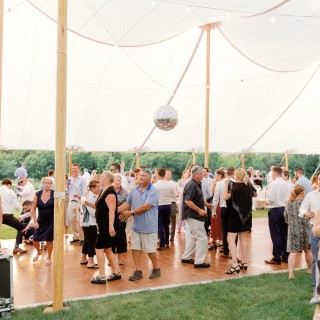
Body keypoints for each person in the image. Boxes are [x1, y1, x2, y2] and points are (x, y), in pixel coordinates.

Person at [118, 169, 161, 281]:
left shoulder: (154, 190)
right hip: (137, 226)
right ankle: (138, 270)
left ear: (150, 178)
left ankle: (156, 268)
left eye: (144, 176)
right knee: (135, 248)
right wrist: (115, 210)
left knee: (150, 249)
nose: (141, 177)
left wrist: (130, 213)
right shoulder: (134, 190)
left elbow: (146, 206)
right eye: (140, 175)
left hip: (149, 226)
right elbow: (128, 203)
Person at [224, 168, 256, 274]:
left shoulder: (233, 186)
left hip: (235, 216)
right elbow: (255, 194)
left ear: (236, 176)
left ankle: (234, 264)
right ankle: (245, 262)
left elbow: (225, 197)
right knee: (243, 238)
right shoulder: (249, 186)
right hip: (246, 216)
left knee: (230, 239)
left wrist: (226, 184)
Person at [91, 171, 121, 284]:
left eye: (102, 177)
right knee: (108, 249)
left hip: (107, 226)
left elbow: (112, 210)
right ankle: (117, 272)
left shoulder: (110, 192)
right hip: (103, 225)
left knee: (98, 247)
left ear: (108, 179)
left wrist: (111, 227)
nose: (100, 179)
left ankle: (102, 275)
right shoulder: (104, 191)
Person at [181, 166, 211, 269]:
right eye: (201, 174)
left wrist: (206, 204)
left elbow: (197, 198)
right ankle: (199, 261)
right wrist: (199, 210)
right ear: (195, 174)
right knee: (202, 237)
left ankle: (186, 256)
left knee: (195, 237)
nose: (203, 175)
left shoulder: (196, 184)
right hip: (193, 215)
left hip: (194, 215)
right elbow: (188, 201)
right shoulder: (191, 185)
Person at [265, 166, 292, 265]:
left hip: (275, 209)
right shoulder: (288, 185)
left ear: (274, 173)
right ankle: (285, 256)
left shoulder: (273, 184)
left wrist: (267, 202)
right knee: (284, 234)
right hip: (285, 209)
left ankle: (277, 257)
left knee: (275, 234)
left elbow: (271, 198)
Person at [284, 184, 312, 279]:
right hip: (305, 229)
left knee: (293, 252)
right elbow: (308, 216)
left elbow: (286, 217)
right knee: (307, 250)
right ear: (301, 193)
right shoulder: (304, 203)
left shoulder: (288, 203)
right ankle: (309, 269)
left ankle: (291, 274)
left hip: (293, 230)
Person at [299, 172, 320, 292]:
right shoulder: (311, 195)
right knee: (315, 259)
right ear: (317, 181)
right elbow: (302, 208)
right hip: (315, 231)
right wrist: (306, 213)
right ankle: (315, 286)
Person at [28, 177, 55, 266]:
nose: (47, 185)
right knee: (35, 240)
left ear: (51, 184)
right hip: (40, 220)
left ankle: (49, 258)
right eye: (45, 183)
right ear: (42, 184)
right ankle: (39, 252)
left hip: (51, 221)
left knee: (49, 240)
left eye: (49, 183)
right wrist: (35, 221)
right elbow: (33, 208)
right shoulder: (38, 194)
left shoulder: (54, 194)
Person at [0, 178, 27, 254]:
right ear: (9, 185)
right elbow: (16, 207)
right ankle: (16, 247)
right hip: (7, 215)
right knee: (21, 227)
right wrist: (21, 208)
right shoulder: (10, 191)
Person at [213, 167, 235, 258]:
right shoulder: (236, 183)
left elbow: (215, 198)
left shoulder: (220, 183)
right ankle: (233, 251)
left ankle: (226, 251)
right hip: (234, 209)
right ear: (233, 174)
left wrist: (213, 211)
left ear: (226, 174)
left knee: (225, 230)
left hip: (224, 208)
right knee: (234, 230)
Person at [153, 168, 176, 251]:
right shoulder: (170, 185)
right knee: (166, 224)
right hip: (167, 205)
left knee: (159, 224)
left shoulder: (155, 185)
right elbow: (174, 195)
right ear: (164, 174)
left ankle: (162, 244)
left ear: (158, 175)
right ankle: (166, 242)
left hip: (159, 206)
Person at [79, 180, 100, 269]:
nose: (100, 188)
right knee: (92, 242)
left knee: (87, 241)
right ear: (92, 188)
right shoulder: (90, 198)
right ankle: (90, 261)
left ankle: (83, 258)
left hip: (86, 222)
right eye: (98, 187)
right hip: (90, 223)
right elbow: (93, 213)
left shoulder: (87, 196)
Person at [67, 163, 87, 245]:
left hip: (79, 202)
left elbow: (85, 193)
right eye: (72, 168)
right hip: (71, 201)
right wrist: (67, 187)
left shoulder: (82, 180)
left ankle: (82, 238)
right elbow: (67, 191)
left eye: (75, 168)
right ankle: (76, 237)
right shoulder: (69, 179)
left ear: (79, 169)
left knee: (79, 221)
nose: (74, 170)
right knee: (71, 219)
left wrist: (80, 199)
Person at [113, 173, 128, 265]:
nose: (117, 182)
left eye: (119, 180)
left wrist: (125, 211)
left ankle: (120, 257)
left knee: (121, 236)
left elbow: (128, 203)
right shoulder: (109, 191)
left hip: (122, 217)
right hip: (111, 217)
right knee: (112, 236)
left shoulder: (125, 192)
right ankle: (112, 258)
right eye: (116, 180)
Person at [165, 169, 182, 242]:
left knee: (173, 219)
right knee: (165, 220)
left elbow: (181, 191)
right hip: (164, 203)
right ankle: (165, 235)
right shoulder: (162, 183)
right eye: (167, 173)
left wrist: (178, 195)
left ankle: (172, 236)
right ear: (164, 174)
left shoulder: (175, 183)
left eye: (170, 173)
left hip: (172, 203)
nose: (169, 174)